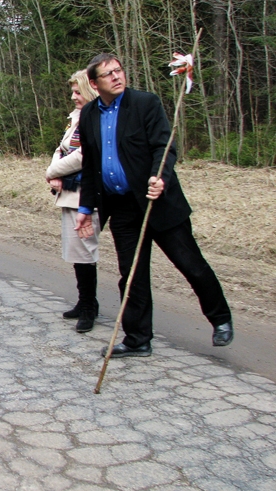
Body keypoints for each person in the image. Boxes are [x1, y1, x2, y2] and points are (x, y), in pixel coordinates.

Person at [75, 53, 233, 357]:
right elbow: (91, 164)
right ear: (94, 83)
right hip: (121, 208)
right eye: (108, 74)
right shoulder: (90, 114)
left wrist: (159, 176)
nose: (117, 77)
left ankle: (221, 319)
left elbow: (165, 145)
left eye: (119, 70)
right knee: (131, 275)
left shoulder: (145, 103)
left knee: (191, 265)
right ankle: (138, 338)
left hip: (157, 202)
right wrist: (85, 209)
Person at [46, 70, 101, 333]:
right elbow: (62, 149)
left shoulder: (97, 117)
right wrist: (54, 172)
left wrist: (53, 172)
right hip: (69, 191)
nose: (73, 96)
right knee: (76, 252)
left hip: (85, 192)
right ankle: (85, 301)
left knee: (84, 250)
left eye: (78, 91)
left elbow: (83, 156)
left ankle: (90, 307)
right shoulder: (76, 117)